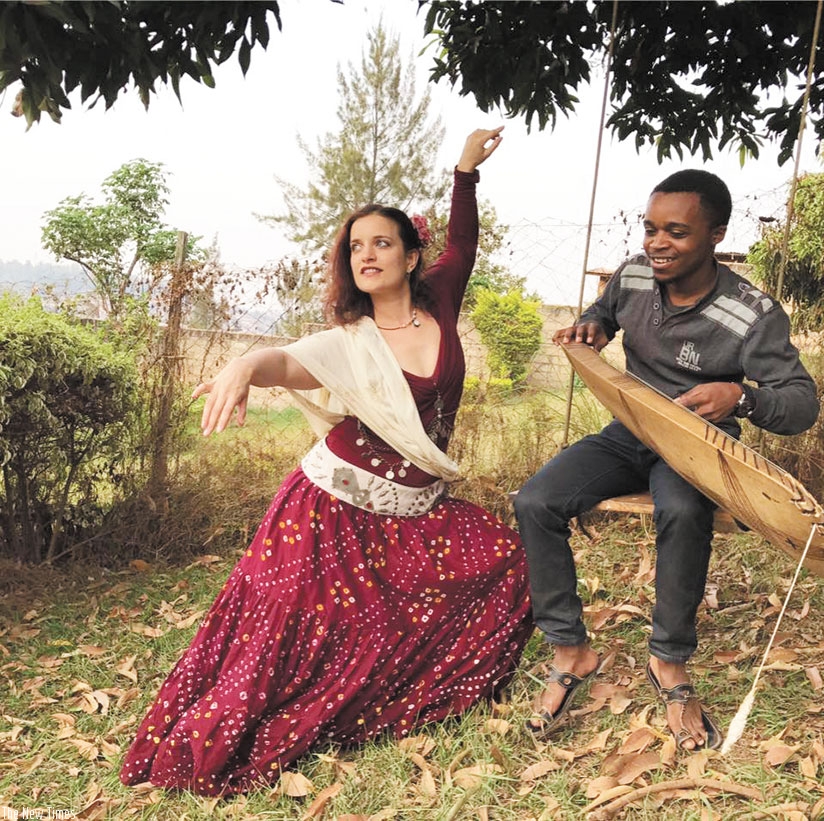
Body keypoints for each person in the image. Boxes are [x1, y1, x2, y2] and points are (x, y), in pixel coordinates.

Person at [120, 127, 533, 796]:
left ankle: (411, 683)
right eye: (355, 246)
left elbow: (465, 240)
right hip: (329, 510)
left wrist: (464, 171)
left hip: (415, 512)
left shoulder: (442, 299)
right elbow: (284, 360)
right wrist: (245, 365)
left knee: (507, 559)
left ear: (410, 255)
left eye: (381, 242)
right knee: (286, 644)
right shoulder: (348, 339)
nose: (365, 254)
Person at [514, 169, 819, 751]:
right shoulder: (633, 274)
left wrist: (743, 396)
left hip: (696, 446)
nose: (657, 243)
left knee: (682, 513)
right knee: (536, 500)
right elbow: (605, 310)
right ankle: (571, 651)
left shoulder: (751, 312)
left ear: (716, 235)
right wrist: (594, 326)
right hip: (630, 428)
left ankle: (670, 661)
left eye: (676, 232)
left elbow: (802, 405)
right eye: (651, 228)